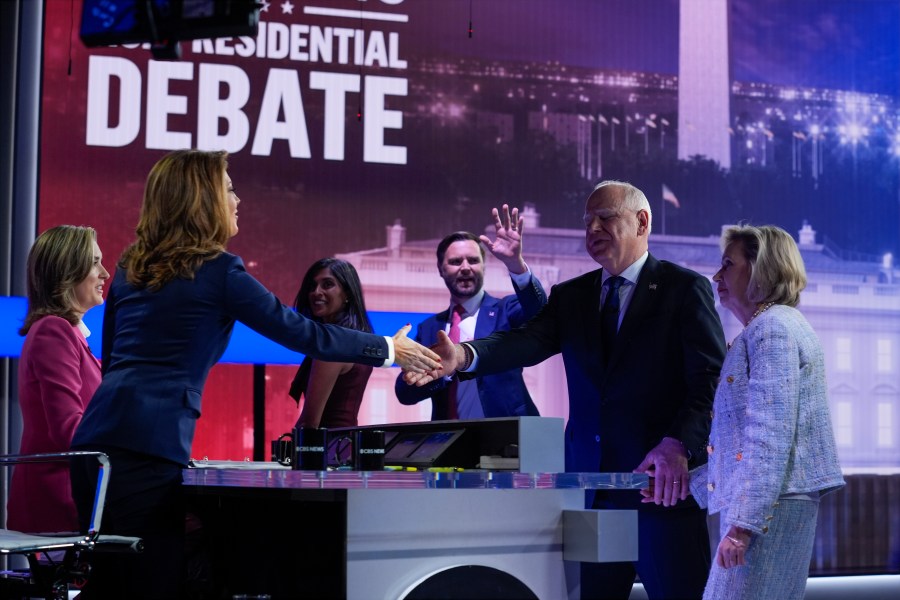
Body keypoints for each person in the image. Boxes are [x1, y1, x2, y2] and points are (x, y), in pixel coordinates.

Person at [69, 149, 440, 599]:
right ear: (203, 201)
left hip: (94, 444)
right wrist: (387, 348)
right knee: (151, 583)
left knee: (111, 584)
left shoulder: (130, 268)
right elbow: (301, 332)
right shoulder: (221, 271)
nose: (237, 199)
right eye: (228, 189)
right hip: (147, 451)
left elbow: (113, 363)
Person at [405, 180, 727, 600]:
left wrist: (679, 444)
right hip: (591, 492)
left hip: (659, 491)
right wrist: (463, 357)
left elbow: (708, 380)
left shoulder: (683, 289)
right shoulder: (572, 296)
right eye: (587, 220)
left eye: (605, 217)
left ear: (642, 221)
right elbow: (523, 342)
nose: (592, 228)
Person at [685, 224, 844, 600]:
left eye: (728, 264)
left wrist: (742, 526)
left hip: (769, 510)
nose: (717, 276)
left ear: (761, 269)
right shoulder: (770, 327)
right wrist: (686, 484)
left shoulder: (773, 330)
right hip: (772, 504)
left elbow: (769, 435)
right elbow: (744, 442)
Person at [395, 205, 547, 420]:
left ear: (484, 267)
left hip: (508, 440)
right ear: (441, 269)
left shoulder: (506, 310)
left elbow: (541, 312)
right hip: (449, 443)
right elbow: (405, 393)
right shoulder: (429, 328)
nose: (465, 267)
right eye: (456, 262)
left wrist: (516, 265)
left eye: (473, 260)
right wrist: (441, 374)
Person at [8, 225, 109, 534]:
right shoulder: (54, 330)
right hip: (60, 502)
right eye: (94, 262)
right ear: (67, 272)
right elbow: (70, 432)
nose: (105, 273)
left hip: (76, 498)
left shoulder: (69, 335)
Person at [289, 257, 374, 428]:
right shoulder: (354, 338)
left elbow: (309, 423)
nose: (316, 292)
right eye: (312, 286)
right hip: (344, 446)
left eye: (327, 284)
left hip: (328, 449)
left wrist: (289, 453)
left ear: (348, 293)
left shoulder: (334, 343)